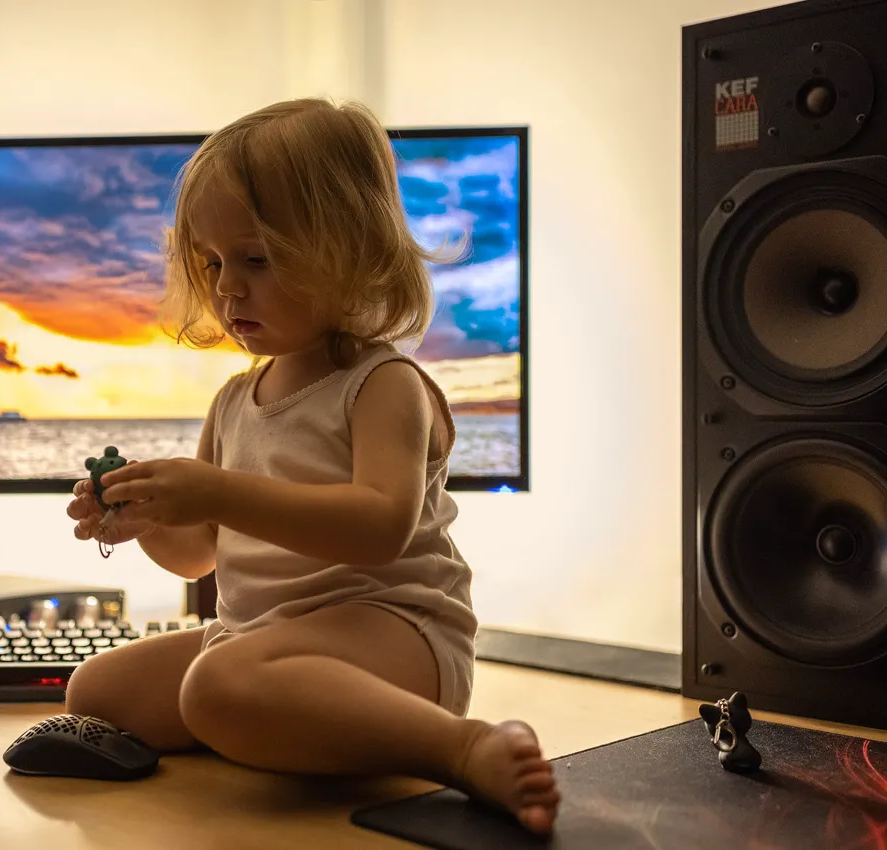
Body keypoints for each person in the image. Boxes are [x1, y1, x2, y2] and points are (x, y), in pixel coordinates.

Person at [63, 97, 558, 835]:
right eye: (214, 262)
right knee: (95, 689)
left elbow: (380, 528)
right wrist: (146, 518)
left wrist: (216, 488)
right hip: (266, 638)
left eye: (257, 259)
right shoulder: (235, 399)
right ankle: (279, 719)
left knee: (217, 685)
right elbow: (202, 553)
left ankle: (462, 746)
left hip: (396, 635)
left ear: (350, 250)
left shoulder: (383, 384)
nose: (228, 287)